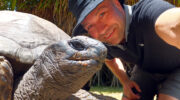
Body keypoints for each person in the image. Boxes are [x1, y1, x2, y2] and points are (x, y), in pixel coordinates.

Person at [68, 0, 180, 100]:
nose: (101, 31)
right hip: (146, 70)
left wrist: (168, 26)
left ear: (116, 3)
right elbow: (108, 59)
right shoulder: (106, 42)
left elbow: (170, 20)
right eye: (90, 27)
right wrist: (125, 81)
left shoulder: (147, 13)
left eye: (102, 14)